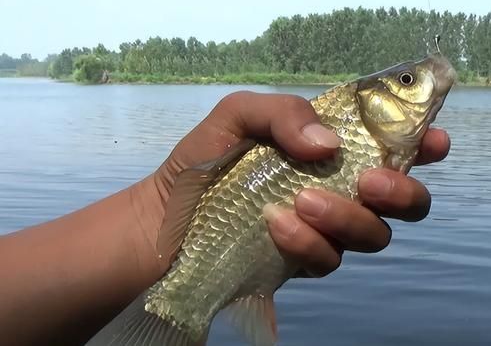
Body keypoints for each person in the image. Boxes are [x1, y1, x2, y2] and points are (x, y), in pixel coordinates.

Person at [0, 91, 450, 346]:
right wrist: (160, 209)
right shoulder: (352, 121)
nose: (422, 85)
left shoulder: (382, 139)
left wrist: (153, 217)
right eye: (408, 81)